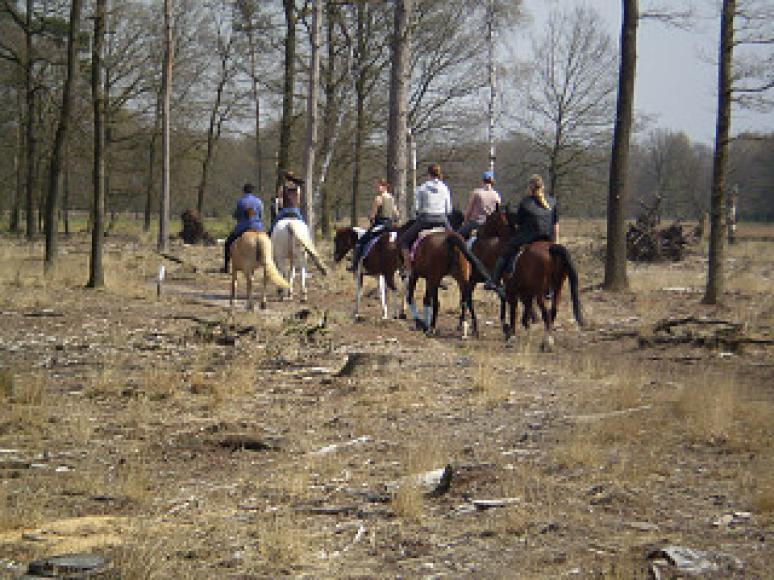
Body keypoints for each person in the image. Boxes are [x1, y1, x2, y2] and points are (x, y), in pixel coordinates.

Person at [484, 174, 558, 298]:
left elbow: (519, 223)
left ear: (530, 187)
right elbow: (555, 225)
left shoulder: (525, 203)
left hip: (530, 238)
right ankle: (551, 288)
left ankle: (494, 280)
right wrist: (555, 242)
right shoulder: (552, 201)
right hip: (548, 238)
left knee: (507, 251)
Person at [398, 163, 452, 275]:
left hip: (425, 219)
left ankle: (408, 268)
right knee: (456, 241)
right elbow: (449, 209)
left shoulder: (422, 188)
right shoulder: (445, 188)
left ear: (428, 174)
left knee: (404, 240)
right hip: (442, 220)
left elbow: (417, 208)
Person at [347, 178, 399, 272]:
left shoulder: (378, 198)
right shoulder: (391, 198)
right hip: (390, 225)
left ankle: (355, 265)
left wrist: (371, 218)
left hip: (380, 225)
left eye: (379, 186)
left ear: (384, 187)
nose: (377, 188)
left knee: (360, 242)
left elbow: (373, 214)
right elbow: (396, 213)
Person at [222, 183, 264, 273]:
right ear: (253, 191)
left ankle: (226, 266)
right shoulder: (259, 201)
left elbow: (237, 215)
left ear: (243, 191)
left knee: (228, 243)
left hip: (243, 227)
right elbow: (261, 215)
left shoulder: (241, 201)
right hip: (257, 227)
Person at [457, 170, 501, 238]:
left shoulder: (476, 193)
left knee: (457, 236)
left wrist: (465, 222)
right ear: (492, 182)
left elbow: (469, 210)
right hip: (489, 224)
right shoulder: (496, 195)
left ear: (483, 180)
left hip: (476, 223)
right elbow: (498, 212)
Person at [269, 170, 305, 235]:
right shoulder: (297, 188)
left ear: (285, 178)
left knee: (274, 224)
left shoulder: (282, 188)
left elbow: (280, 202)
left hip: (285, 210)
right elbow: (298, 201)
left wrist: (281, 207)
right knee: (304, 225)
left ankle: (269, 234)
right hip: (295, 210)